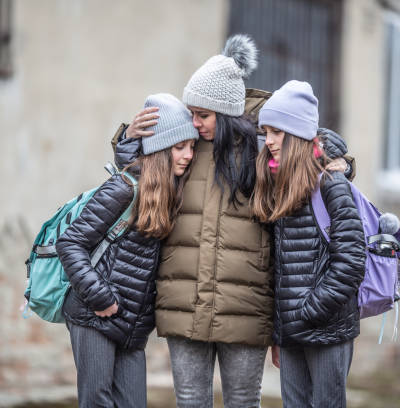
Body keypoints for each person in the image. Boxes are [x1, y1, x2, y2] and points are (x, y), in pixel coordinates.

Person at [113, 36, 353, 407]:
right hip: (185, 301)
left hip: (246, 304)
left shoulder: (263, 147)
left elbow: (308, 160)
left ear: (224, 112)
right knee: (191, 400)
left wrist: (336, 154)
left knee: (243, 401)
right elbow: (141, 177)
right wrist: (128, 141)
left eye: (203, 115)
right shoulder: (183, 146)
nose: (195, 122)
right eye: (192, 113)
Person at [55, 93, 198, 408]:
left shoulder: (169, 194)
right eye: (179, 147)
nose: (188, 155)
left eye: (191, 146)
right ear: (160, 149)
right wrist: (101, 297)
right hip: (94, 315)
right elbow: (70, 242)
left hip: (132, 326)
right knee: (97, 401)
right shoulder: (124, 188)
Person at [252, 80, 367, 408]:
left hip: (327, 328)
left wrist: (311, 311)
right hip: (291, 335)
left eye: (277, 132)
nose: (269, 140)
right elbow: (280, 269)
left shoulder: (331, 182)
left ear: (298, 133)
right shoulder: (277, 184)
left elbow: (351, 260)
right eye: (267, 131)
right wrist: (280, 332)